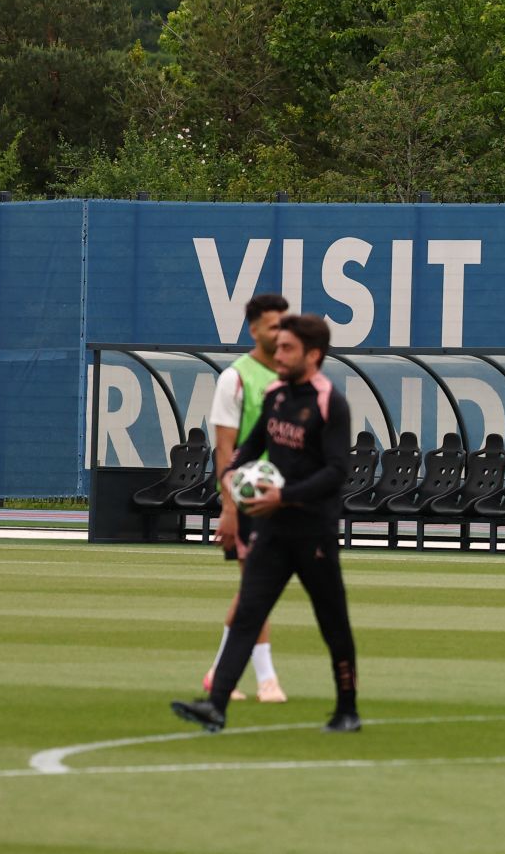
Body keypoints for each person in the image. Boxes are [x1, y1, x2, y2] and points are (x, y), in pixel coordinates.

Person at [172, 315, 361, 733]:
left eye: (288, 348)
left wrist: (286, 495)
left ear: (313, 355)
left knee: (333, 621)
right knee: (248, 615)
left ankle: (347, 709)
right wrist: (231, 476)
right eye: (277, 347)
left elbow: (336, 471)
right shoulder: (275, 396)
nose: (279, 354)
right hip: (272, 529)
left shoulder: (331, 401)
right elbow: (249, 447)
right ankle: (216, 705)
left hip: (314, 531)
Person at [200, 292, 291, 703]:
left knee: (259, 587)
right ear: (254, 329)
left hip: (285, 497)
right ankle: (265, 678)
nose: (281, 332)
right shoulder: (234, 378)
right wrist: (229, 507)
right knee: (258, 586)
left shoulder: (293, 376)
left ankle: (221, 671)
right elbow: (225, 450)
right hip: (251, 498)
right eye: (274, 325)